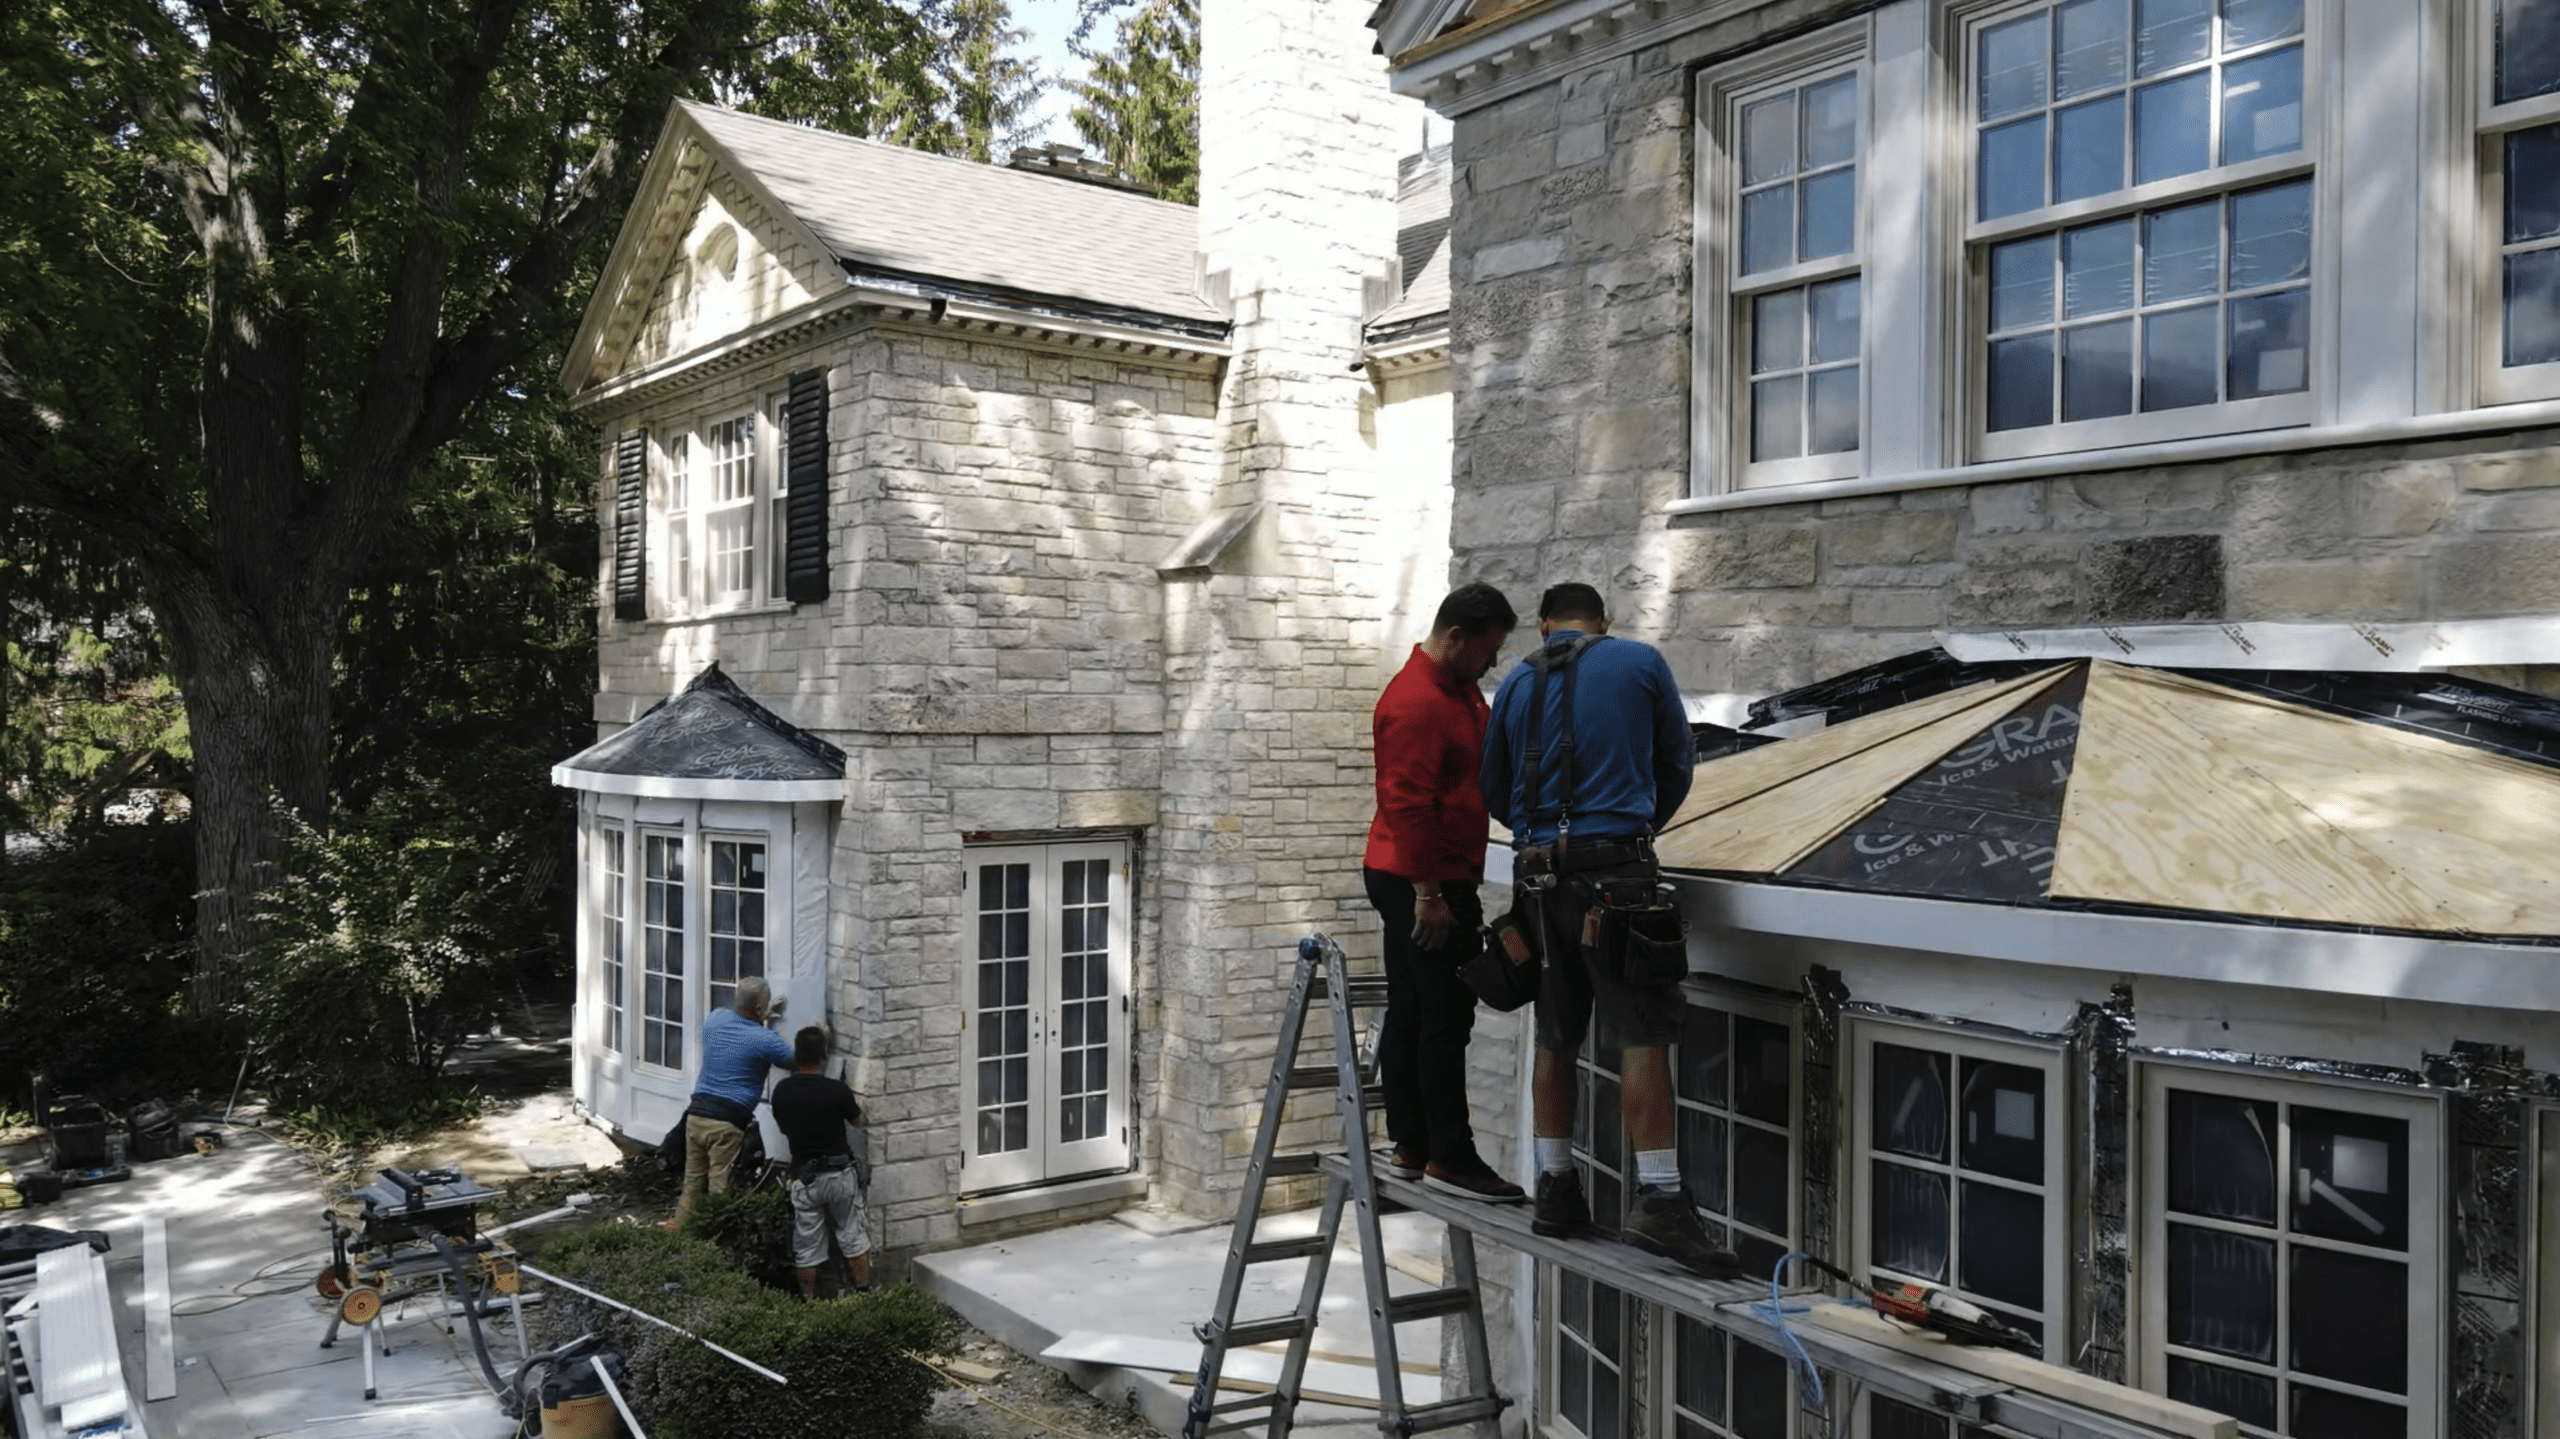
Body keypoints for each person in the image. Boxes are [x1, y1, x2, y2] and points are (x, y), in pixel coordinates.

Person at [1479, 583, 1735, 1278]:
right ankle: (1658, 1195)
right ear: (1604, 622)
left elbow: (1495, 790)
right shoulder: (1639, 662)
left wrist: (1540, 833)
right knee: (1642, 1029)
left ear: (1543, 625)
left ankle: (1556, 1183)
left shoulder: (1515, 683)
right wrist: (1634, 821)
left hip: (1537, 881)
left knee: (1555, 1030)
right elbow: (1676, 764)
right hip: (1616, 874)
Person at [1363, 582, 1522, 1203]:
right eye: (1487, 652)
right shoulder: (1418, 702)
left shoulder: (1456, 689)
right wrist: (1429, 895)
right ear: (1455, 638)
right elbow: (1404, 804)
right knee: (1445, 1013)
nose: (1491, 664)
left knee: (1413, 1004)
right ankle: (1450, 1156)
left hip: (1429, 872)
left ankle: (1412, 1143)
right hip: (1419, 878)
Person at [666, 975, 793, 1231]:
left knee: (692, 1184)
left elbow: (739, 1028)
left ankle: (676, 1235)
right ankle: (718, 1245)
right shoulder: (765, 1040)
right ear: (759, 1008)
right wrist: (773, 1024)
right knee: (720, 1189)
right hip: (726, 1124)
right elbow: (794, 1061)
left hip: (696, 1115)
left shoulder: (715, 1019)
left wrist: (764, 1015)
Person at [772, 1025, 873, 1298]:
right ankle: (864, 1293)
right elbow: (859, 1120)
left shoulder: (782, 1091)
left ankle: (808, 1299)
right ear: (824, 1056)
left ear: (797, 1054)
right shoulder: (836, 1090)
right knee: (852, 1234)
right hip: (839, 1175)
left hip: (805, 1178)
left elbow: (783, 1128)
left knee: (806, 1244)